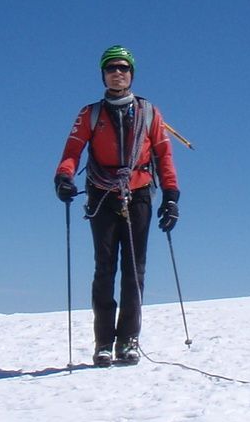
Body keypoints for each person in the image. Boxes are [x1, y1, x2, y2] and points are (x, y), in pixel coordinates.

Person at [54, 45, 180, 367]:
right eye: (111, 68)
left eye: (123, 68)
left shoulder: (149, 112)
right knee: (105, 268)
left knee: (134, 270)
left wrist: (171, 195)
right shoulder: (90, 113)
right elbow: (73, 149)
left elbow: (164, 155)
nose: (118, 73)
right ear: (103, 74)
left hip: (138, 194)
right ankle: (103, 342)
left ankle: (128, 339)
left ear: (131, 73)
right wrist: (64, 177)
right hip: (102, 194)